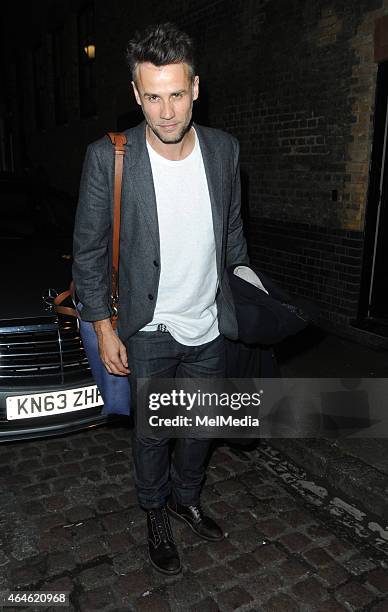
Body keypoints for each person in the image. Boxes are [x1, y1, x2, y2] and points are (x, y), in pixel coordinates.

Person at [72, 22, 249, 575]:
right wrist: (103, 327)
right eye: (153, 97)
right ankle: (154, 510)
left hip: (210, 325)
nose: (167, 111)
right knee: (152, 433)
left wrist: (251, 293)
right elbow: (89, 251)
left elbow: (234, 234)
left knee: (199, 429)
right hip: (148, 327)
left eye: (177, 94)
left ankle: (185, 497)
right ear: (136, 94)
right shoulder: (110, 157)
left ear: (195, 87)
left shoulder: (224, 150)